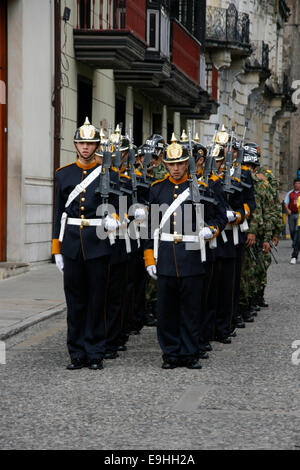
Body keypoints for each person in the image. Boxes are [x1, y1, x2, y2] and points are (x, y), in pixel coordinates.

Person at [144, 133, 224, 369]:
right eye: (171, 164)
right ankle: (170, 354)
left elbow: (218, 216)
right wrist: (150, 256)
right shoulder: (158, 189)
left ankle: (189, 353)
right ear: (166, 165)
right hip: (167, 253)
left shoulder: (201, 187)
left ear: (188, 163)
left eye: (180, 164)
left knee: (191, 308)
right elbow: (151, 226)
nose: (176, 169)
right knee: (166, 310)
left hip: (192, 252)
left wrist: (212, 230)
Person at [52, 117, 120, 371]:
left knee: (96, 300)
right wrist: (56, 249)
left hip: (98, 243)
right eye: (81, 143)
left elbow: (122, 206)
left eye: (90, 144)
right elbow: (58, 213)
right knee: (75, 301)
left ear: (97, 146)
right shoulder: (63, 175)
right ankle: (76, 352)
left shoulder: (109, 174)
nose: (85, 148)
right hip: (71, 244)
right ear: (75, 145)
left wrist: (116, 218)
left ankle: (95, 352)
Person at [284, 179, 300, 260]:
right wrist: (288, 210)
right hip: (291, 213)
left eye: (299, 184)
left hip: (298, 214)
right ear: (294, 185)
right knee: (292, 229)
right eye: (296, 183)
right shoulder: (290, 193)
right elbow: (286, 202)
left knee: (297, 230)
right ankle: (294, 240)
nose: (297, 185)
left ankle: (295, 243)